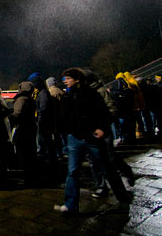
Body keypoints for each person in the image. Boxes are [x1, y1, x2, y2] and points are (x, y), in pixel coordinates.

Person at [54, 68, 131, 214]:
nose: (65, 81)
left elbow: (104, 113)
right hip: (75, 137)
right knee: (72, 172)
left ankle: (122, 196)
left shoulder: (91, 94)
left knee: (106, 168)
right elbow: (64, 117)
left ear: (77, 79)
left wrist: (101, 128)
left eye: (68, 78)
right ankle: (70, 205)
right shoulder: (67, 96)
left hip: (91, 137)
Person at [10, 81, 38, 186]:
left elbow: (17, 114)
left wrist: (9, 116)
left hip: (22, 129)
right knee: (30, 153)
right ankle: (31, 176)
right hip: (30, 128)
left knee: (23, 154)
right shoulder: (31, 100)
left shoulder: (21, 100)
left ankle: (26, 177)